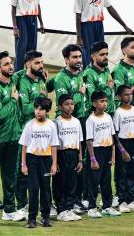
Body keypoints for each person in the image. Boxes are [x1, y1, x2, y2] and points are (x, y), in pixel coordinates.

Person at [0, 52, 27, 225]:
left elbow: (24, 71)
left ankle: (9, 210)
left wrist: (40, 71)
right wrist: (13, 101)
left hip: (12, 139)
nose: (10, 66)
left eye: (11, 63)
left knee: (10, 177)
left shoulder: (13, 79)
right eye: (6, 64)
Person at [51, 44, 88, 211]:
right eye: (75, 57)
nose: (78, 60)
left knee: (78, 163)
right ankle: (60, 202)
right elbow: (64, 103)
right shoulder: (61, 79)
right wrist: (80, 94)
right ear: (66, 59)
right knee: (63, 167)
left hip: (79, 121)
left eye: (80, 57)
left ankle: (75, 199)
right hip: (64, 124)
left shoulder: (79, 74)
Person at [74, 0, 132, 68]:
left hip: (99, 24)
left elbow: (110, 8)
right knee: (88, 52)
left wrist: (124, 25)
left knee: (100, 50)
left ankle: (101, 72)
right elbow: (78, 14)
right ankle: (88, 74)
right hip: (86, 25)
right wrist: (79, 37)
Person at [15, 50, 48, 213]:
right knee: (23, 170)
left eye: (42, 62)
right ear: (28, 64)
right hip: (25, 132)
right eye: (37, 63)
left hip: (41, 131)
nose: (41, 66)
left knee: (40, 170)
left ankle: (39, 203)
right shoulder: (22, 82)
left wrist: (43, 102)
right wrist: (40, 103)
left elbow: (46, 105)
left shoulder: (41, 80)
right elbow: (23, 108)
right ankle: (22, 205)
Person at [19, 97, 58, 228]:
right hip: (32, 160)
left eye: (41, 109)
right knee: (34, 189)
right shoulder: (29, 125)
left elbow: (54, 146)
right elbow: (24, 146)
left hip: (46, 160)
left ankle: (45, 217)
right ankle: (31, 219)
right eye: (36, 108)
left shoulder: (51, 125)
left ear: (47, 111)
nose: (38, 111)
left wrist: (53, 164)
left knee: (46, 189)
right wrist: (23, 164)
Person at [85, 91, 121, 217]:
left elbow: (112, 137)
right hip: (96, 151)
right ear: (94, 103)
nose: (105, 104)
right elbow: (89, 140)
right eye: (102, 101)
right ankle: (92, 207)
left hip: (107, 151)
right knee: (94, 181)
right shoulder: (91, 119)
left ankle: (107, 206)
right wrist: (93, 159)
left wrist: (113, 156)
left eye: (106, 101)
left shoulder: (108, 117)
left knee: (106, 181)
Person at [112, 85, 134, 213]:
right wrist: (121, 150)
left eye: (131, 94)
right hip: (123, 143)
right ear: (119, 97)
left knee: (133, 172)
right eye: (126, 94)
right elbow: (115, 134)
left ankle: (131, 200)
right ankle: (122, 201)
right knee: (122, 174)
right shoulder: (118, 112)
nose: (129, 96)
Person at [54, 94, 84, 222]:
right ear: (60, 106)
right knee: (61, 182)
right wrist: (54, 161)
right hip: (61, 154)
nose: (70, 106)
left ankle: (69, 208)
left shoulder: (76, 121)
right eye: (67, 104)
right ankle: (61, 210)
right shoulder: (56, 122)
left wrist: (80, 159)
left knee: (72, 182)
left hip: (73, 153)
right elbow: (53, 144)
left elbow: (79, 141)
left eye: (72, 104)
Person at [11, 0, 44, 71]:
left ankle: (31, 71)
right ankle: (17, 73)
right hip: (21, 19)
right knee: (21, 47)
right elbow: (13, 8)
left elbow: (37, 4)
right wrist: (15, 27)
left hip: (33, 18)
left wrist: (42, 22)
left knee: (32, 48)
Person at [112, 36, 134, 109]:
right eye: (133, 47)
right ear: (124, 50)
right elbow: (120, 96)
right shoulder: (118, 70)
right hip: (128, 113)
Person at [83, 41, 115, 115]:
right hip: (96, 115)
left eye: (107, 54)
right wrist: (109, 88)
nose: (106, 57)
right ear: (93, 56)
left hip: (109, 112)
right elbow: (93, 97)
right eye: (102, 54)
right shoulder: (89, 73)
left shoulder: (106, 69)